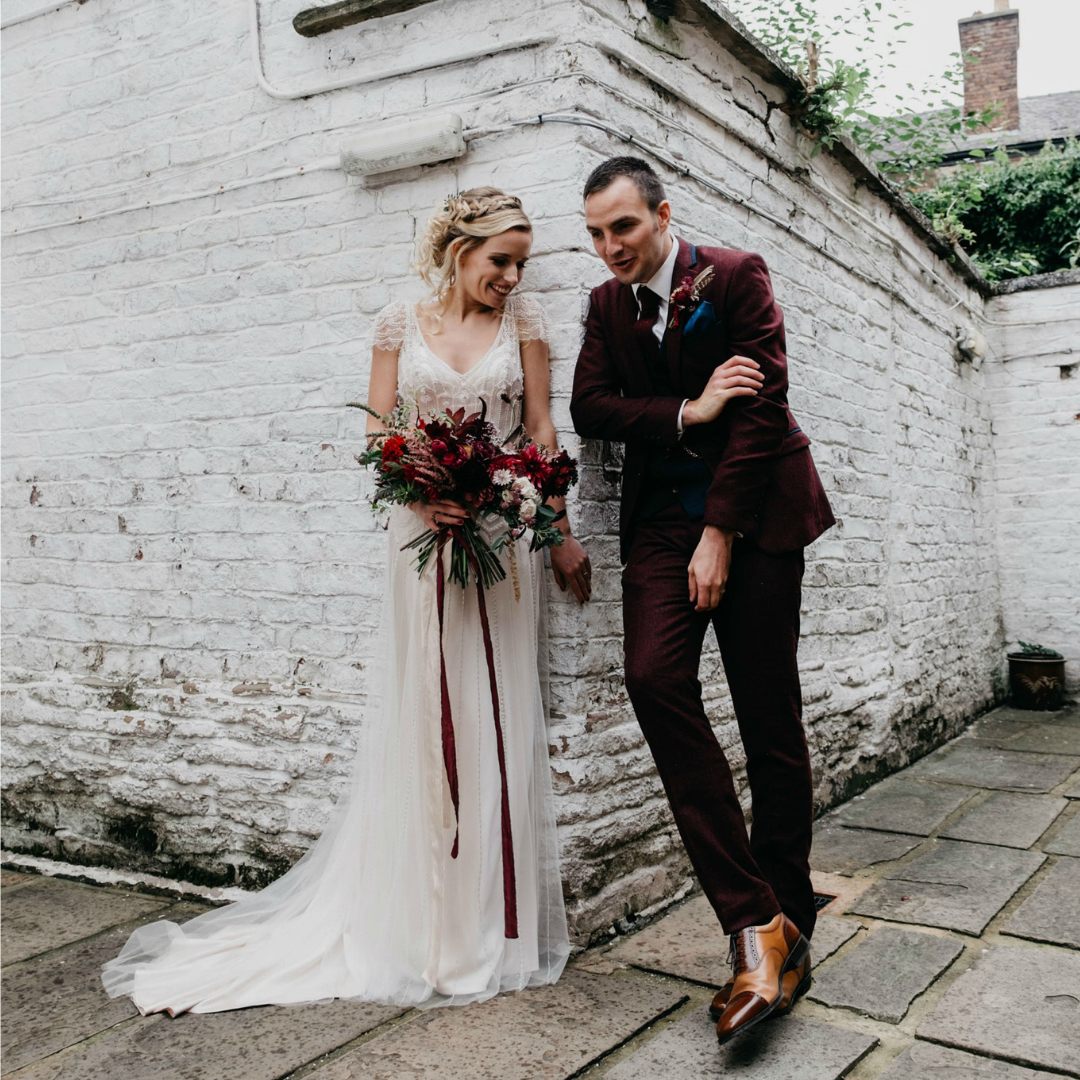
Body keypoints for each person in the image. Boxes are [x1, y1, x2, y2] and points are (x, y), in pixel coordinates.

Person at [102, 187, 589, 1015]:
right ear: (458, 250)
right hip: (422, 543)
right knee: (429, 716)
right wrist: (422, 491)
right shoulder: (399, 323)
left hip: (504, 541)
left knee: (494, 713)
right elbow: (378, 435)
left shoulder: (528, 326)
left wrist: (559, 530)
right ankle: (425, 920)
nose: (511, 277)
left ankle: (488, 925)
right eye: (499, 261)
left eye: (521, 264)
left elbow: (540, 432)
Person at [570, 157, 835, 1046]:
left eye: (625, 229)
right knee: (652, 679)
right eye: (598, 233)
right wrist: (686, 410)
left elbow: (763, 410)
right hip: (656, 524)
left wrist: (721, 531)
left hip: (755, 518)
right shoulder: (606, 307)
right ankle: (754, 919)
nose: (611, 248)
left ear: (661, 214)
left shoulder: (734, 274)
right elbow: (591, 408)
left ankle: (790, 920)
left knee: (769, 718)